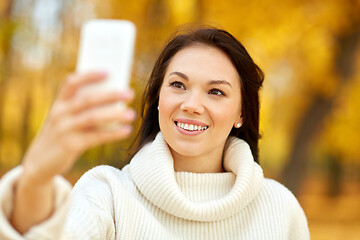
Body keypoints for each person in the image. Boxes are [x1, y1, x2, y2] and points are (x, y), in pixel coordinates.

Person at [0, 27, 310, 239]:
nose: (191, 105)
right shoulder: (106, 193)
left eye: (215, 92)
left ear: (242, 112)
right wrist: (36, 180)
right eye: (178, 85)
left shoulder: (280, 208)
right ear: (158, 99)